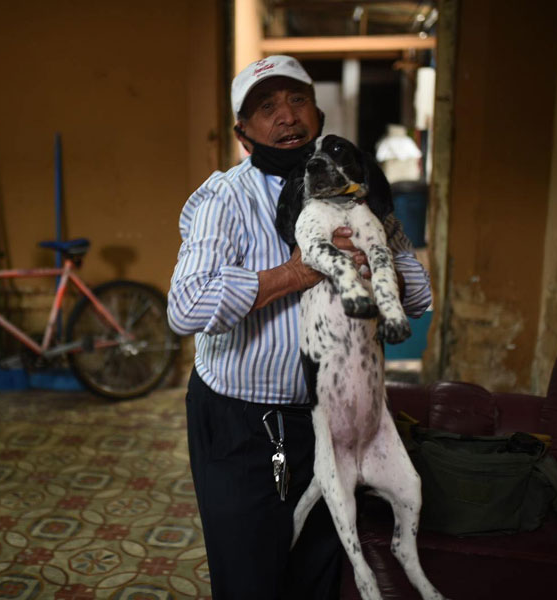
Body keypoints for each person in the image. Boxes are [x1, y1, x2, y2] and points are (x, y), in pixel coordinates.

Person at [167, 55, 432, 600]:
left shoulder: (355, 186)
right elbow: (186, 307)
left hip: (330, 421)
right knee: (250, 578)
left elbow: (420, 294)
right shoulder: (226, 199)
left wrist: (372, 261)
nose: (286, 116)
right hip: (243, 426)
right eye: (267, 108)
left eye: (297, 101)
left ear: (318, 112)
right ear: (244, 133)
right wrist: (296, 271)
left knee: (317, 572)